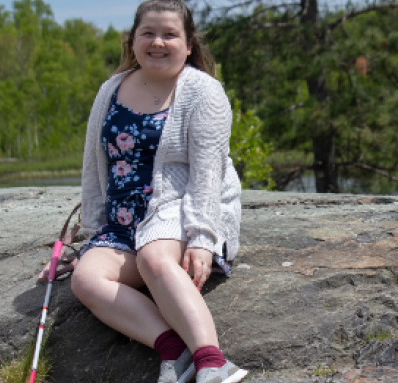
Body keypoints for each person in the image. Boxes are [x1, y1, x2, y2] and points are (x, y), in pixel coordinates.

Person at [67, 1, 246, 382]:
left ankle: (212, 361)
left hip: (179, 210)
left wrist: (201, 237)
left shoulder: (203, 92)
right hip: (123, 223)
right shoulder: (111, 89)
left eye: (169, 34)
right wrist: (91, 233)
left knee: (153, 258)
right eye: (148, 33)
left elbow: (207, 174)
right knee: (86, 278)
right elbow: (93, 163)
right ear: (132, 41)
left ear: (188, 44)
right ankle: (172, 350)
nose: (158, 42)